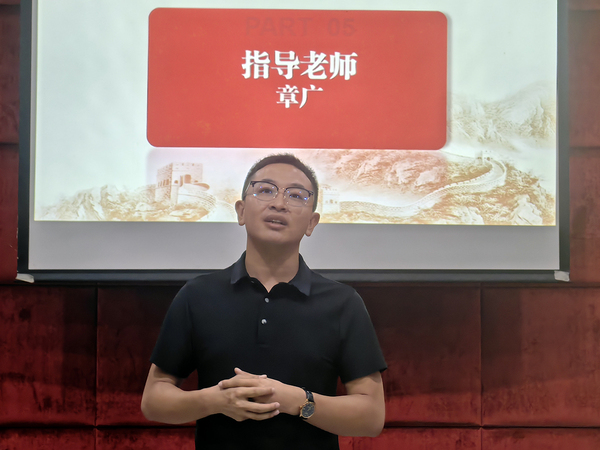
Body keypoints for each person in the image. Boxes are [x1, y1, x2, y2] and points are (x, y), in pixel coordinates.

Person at [141, 154, 387, 449]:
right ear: (241, 211)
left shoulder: (343, 303)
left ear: (311, 223)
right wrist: (216, 400)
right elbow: (154, 400)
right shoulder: (197, 295)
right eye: (266, 190)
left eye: (296, 195)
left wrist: (298, 401)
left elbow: (371, 416)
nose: (279, 203)